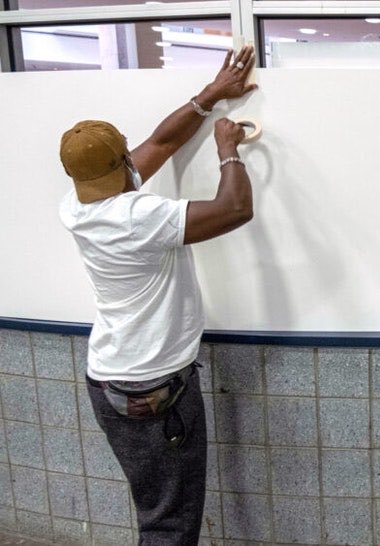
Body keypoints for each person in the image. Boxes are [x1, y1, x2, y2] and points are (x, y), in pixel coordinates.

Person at [58, 46, 258, 544]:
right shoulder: (138, 217)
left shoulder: (76, 206)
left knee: (159, 511)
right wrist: (227, 149)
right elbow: (234, 209)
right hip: (153, 392)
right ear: (123, 161)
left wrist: (211, 95)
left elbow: (162, 142)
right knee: (170, 524)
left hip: (112, 380)